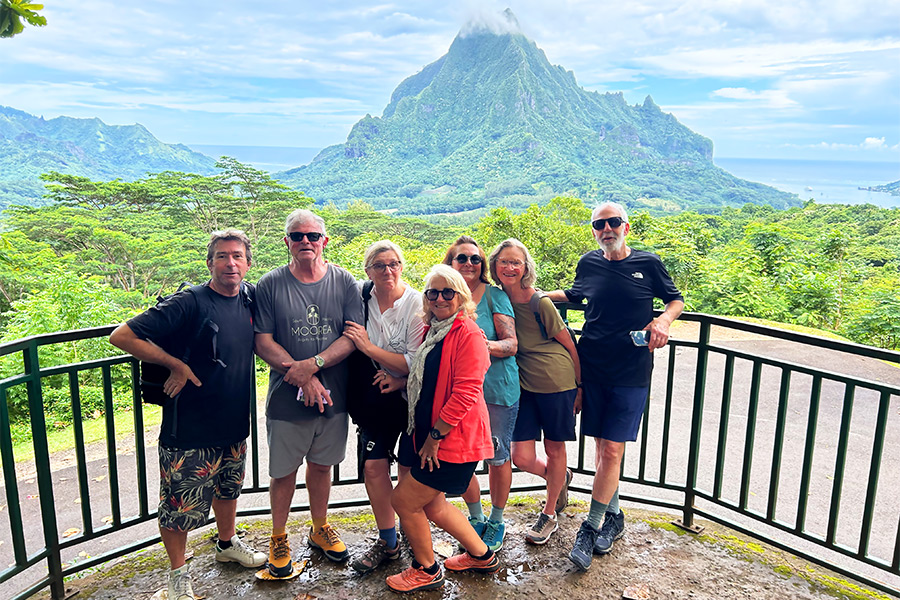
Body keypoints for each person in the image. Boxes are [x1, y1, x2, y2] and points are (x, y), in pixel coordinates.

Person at [109, 229, 266, 600]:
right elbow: (122, 336)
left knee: (228, 489)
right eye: (222, 256)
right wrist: (175, 364)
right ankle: (178, 575)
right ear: (209, 263)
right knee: (178, 507)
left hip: (233, 423)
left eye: (238, 256)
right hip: (189, 428)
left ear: (248, 263)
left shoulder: (248, 297)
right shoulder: (189, 302)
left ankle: (226, 544)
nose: (230, 263)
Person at [546, 201, 684, 571]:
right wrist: (533, 295)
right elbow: (575, 295)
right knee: (602, 447)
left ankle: (590, 527)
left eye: (613, 222)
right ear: (594, 230)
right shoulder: (588, 262)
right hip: (593, 366)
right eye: (599, 224)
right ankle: (614, 516)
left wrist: (663, 321)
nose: (606, 229)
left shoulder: (648, 263)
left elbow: (675, 299)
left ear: (626, 226)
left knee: (611, 449)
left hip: (631, 369)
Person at [253, 209, 364, 576]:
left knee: (321, 466)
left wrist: (313, 365)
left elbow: (353, 336)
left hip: (334, 398)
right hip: (286, 399)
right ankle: (278, 536)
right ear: (287, 242)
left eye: (312, 236)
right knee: (284, 472)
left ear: (324, 241)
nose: (305, 241)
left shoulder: (344, 281)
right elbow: (263, 341)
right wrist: (302, 376)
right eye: (297, 236)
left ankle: (319, 527)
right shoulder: (270, 284)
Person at [387, 265, 499, 593]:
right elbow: (426, 379)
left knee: (404, 501)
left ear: (461, 296)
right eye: (433, 292)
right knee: (433, 505)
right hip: (427, 434)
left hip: (451, 439)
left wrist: (436, 436)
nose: (439, 298)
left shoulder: (468, 334)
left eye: (448, 292)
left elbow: (466, 392)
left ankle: (426, 570)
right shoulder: (433, 330)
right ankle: (481, 555)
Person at [488, 238, 581, 546]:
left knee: (554, 449)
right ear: (495, 266)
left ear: (525, 267)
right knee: (522, 457)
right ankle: (559, 477)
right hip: (523, 386)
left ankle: (549, 513)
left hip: (556, 382)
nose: (509, 267)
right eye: (504, 261)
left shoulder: (539, 302)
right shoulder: (497, 298)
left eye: (516, 262)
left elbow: (569, 344)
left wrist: (580, 386)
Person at [342, 240, 425, 574]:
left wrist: (368, 348)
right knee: (374, 468)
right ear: (368, 271)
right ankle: (388, 540)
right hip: (377, 399)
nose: (388, 270)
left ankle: (413, 533)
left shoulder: (416, 302)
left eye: (393, 264)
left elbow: (414, 361)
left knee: (407, 471)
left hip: (412, 400)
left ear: (402, 266)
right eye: (379, 265)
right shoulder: (361, 298)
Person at [443, 236, 519, 552]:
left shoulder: (494, 296)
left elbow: (511, 344)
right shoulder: (444, 294)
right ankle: (475, 517)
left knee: (497, 457)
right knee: (463, 456)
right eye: (462, 258)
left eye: (475, 259)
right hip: (460, 393)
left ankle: (497, 520)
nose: (469, 264)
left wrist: (477, 346)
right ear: (451, 262)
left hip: (496, 390)